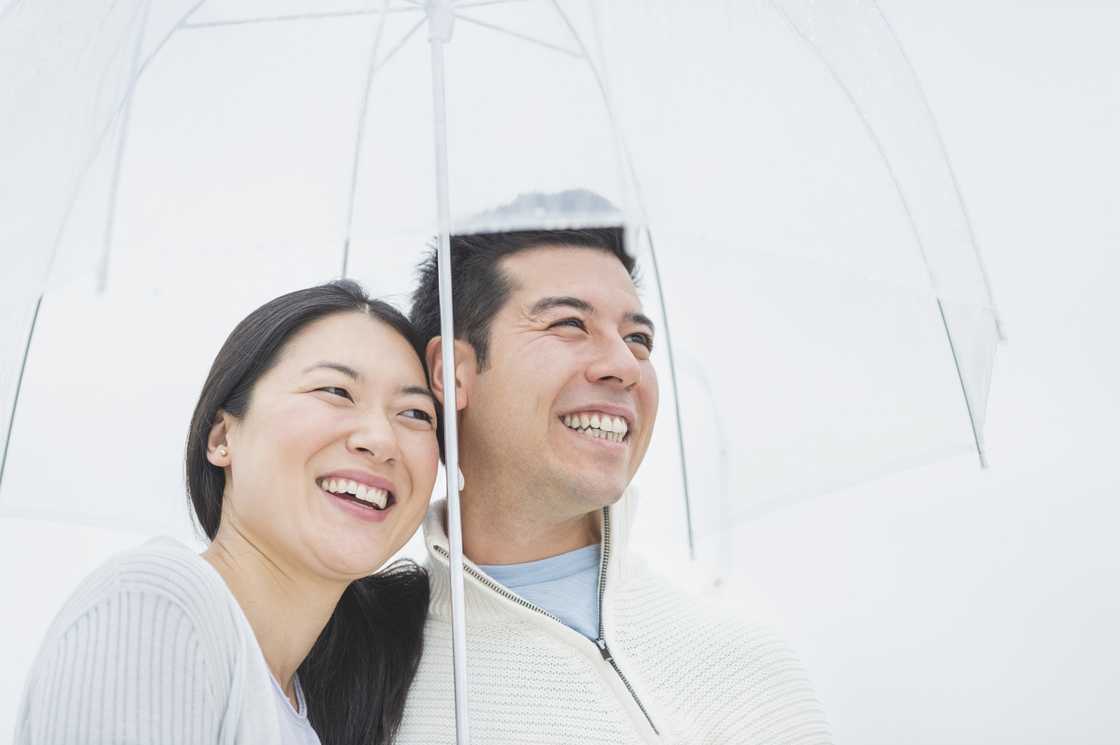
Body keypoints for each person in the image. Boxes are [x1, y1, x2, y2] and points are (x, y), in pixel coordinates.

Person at [396, 192, 833, 744]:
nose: (625, 366)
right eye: (570, 324)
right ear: (453, 372)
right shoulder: (360, 669)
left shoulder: (747, 669)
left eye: (638, 339)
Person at [15, 280, 439, 745]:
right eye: (335, 390)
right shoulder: (158, 603)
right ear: (221, 438)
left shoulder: (304, 705)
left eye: (416, 414)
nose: (380, 440)